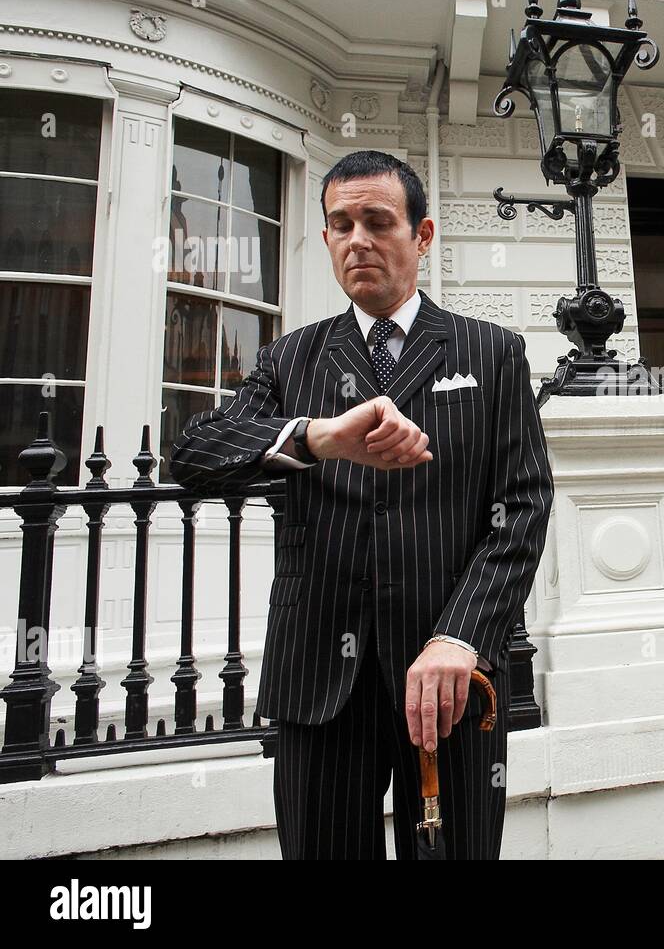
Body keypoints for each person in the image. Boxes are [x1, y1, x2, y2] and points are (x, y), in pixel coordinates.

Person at [170, 150, 554, 859]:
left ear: (423, 234)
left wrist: (459, 635)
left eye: (378, 221)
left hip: (448, 679)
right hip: (320, 680)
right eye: (341, 224)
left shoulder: (491, 351)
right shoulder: (293, 359)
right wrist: (319, 438)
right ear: (325, 239)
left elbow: (523, 505)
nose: (358, 239)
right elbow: (193, 453)